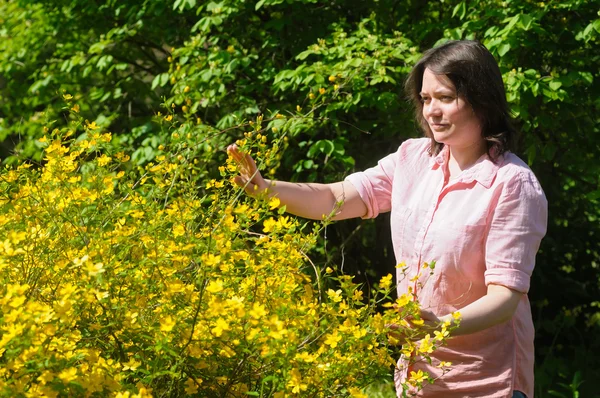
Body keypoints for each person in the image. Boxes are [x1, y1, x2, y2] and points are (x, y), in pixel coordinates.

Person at [227, 40, 547, 398]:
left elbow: (504, 297)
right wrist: (266, 188)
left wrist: (440, 326)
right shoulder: (413, 158)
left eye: (445, 97)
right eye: (425, 99)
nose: (431, 111)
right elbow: (336, 198)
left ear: (481, 100)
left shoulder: (513, 184)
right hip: (417, 380)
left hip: (487, 383)